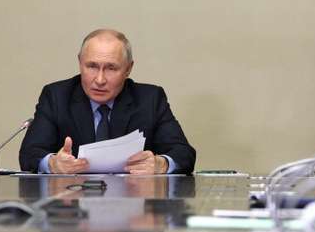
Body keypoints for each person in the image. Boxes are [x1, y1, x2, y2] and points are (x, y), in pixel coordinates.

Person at [18, 29, 196, 175]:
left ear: (128, 69)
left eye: (111, 68)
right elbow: (30, 154)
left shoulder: (150, 99)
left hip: (133, 209)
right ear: (80, 63)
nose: (100, 79)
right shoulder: (57, 96)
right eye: (92, 66)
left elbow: (184, 154)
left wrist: (161, 164)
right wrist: (52, 163)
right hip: (72, 206)